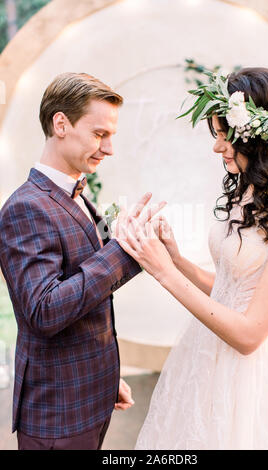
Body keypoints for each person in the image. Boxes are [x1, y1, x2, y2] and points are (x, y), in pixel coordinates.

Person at [116, 67, 268, 450]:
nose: (217, 148)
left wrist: (166, 274)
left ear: (252, 134)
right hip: (208, 348)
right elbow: (231, 289)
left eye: (222, 135)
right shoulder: (246, 190)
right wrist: (177, 259)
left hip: (253, 367)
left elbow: (249, 335)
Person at [0, 72, 165, 450]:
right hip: (57, 416)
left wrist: (106, 379)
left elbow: (91, 292)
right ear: (61, 123)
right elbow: (45, 310)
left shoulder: (77, 193)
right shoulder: (26, 207)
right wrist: (121, 248)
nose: (108, 148)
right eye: (99, 134)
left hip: (88, 396)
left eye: (111, 136)